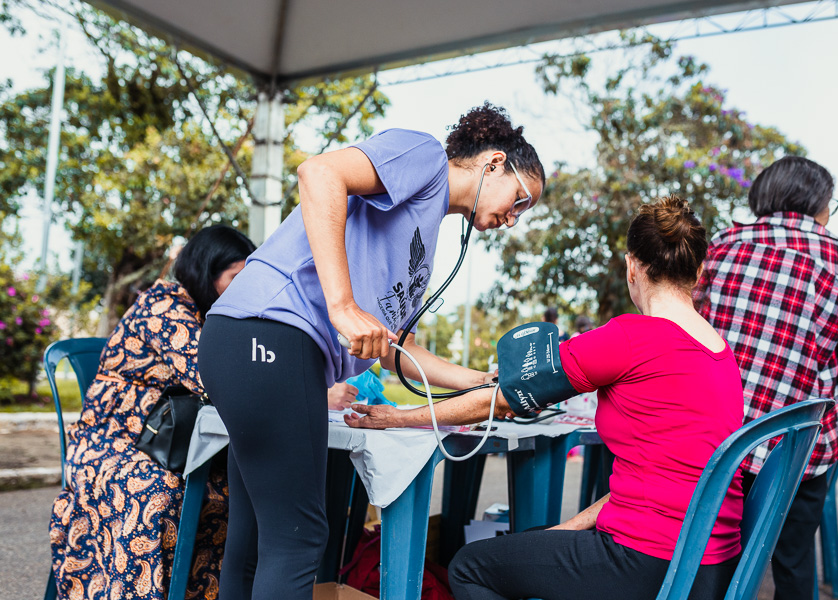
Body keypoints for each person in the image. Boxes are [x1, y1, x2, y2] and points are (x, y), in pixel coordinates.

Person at [196, 102, 545, 599]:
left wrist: (481, 382)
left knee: (255, 541)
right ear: (493, 163)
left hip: (250, 346)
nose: (513, 219)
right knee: (300, 540)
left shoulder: (423, 237)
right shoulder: (423, 156)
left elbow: (393, 349)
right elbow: (319, 173)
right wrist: (340, 305)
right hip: (268, 338)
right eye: (521, 199)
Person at [348, 196, 746, 600]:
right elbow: (667, 475)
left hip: (646, 560)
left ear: (631, 266)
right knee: (540, 538)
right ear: (697, 273)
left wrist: (396, 417)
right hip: (711, 565)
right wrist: (571, 526)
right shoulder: (720, 353)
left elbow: (502, 400)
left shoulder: (630, 337)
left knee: (470, 567)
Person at [694, 156, 838, 600]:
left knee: (718, 550)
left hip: (719, 444)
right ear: (818, 203)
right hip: (794, 454)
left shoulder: (721, 245)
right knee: (794, 559)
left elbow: (693, 327)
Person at [49, 225, 256, 600]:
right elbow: (213, 377)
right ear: (205, 273)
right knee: (158, 493)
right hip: (111, 445)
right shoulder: (165, 306)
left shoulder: (213, 317)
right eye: (236, 278)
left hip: (166, 446)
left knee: (242, 492)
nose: (245, 289)